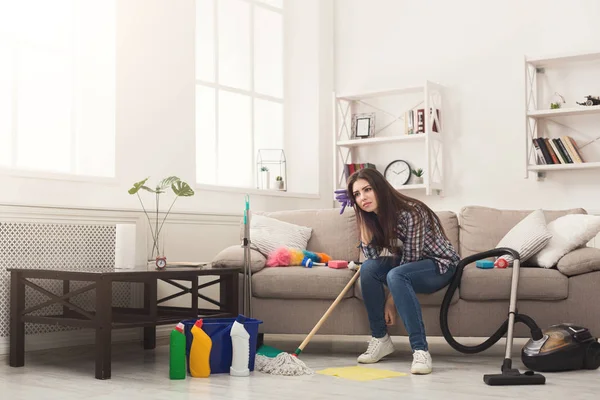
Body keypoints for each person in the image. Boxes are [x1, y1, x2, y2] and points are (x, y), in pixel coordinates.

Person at [345, 168, 460, 375]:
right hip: (408, 266)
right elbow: (372, 257)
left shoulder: (412, 211)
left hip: (439, 265)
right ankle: (380, 338)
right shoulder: (372, 216)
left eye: (367, 189)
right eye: (357, 194)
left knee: (396, 274)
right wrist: (362, 222)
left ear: (380, 188)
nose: (363, 197)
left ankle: (420, 350)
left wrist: (391, 301)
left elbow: (412, 259)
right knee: (369, 269)